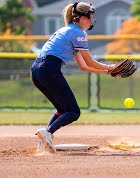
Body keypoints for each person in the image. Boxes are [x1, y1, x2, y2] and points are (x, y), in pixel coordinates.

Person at [31, 2, 118, 153]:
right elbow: (90, 61)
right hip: (49, 69)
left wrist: (106, 72)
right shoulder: (78, 33)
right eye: (91, 16)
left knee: (62, 109)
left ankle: (45, 139)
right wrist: (110, 67)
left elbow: (83, 66)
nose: (92, 20)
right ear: (83, 18)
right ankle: (48, 133)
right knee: (73, 112)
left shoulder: (66, 30)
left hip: (36, 71)